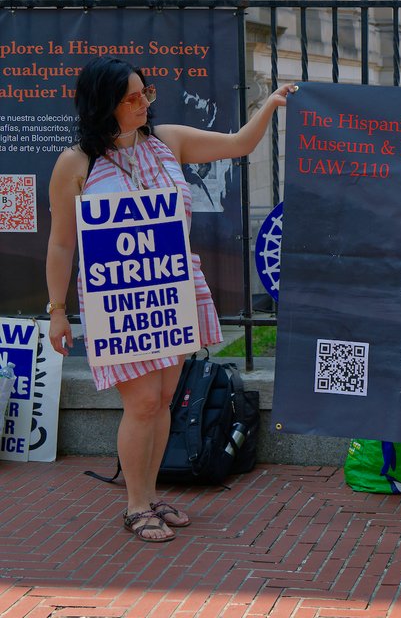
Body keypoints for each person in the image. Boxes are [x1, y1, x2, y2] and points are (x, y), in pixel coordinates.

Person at [45, 57, 295, 543]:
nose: (143, 104)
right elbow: (61, 242)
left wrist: (269, 106)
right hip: (118, 297)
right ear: (104, 105)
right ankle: (136, 506)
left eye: (146, 94)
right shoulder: (75, 164)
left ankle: (150, 494)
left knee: (162, 401)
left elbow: (240, 144)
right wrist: (58, 310)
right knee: (140, 402)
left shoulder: (167, 141)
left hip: (172, 288)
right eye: (131, 98)